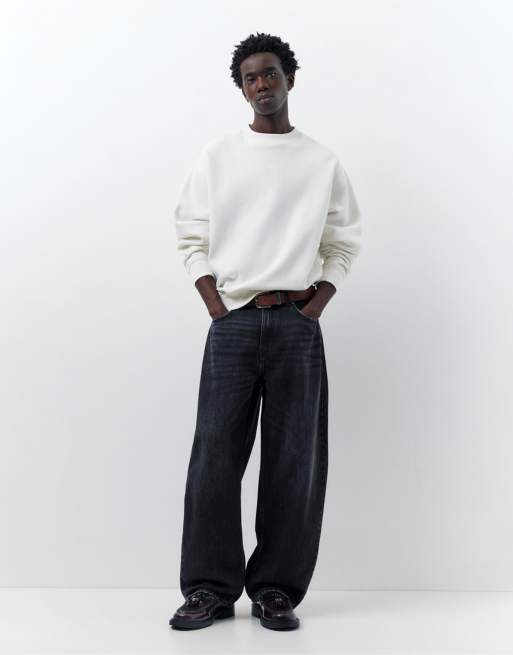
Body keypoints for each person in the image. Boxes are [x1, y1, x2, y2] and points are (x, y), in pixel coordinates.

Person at [169, 32, 362, 631]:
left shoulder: (321, 162)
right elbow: (190, 234)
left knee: (294, 461)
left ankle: (276, 589)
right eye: (250, 78)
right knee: (214, 457)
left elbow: (343, 242)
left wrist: (316, 305)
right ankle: (209, 589)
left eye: (270, 73)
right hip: (232, 323)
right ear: (242, 88)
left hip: (296, 327)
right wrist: (216, 305)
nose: (261, 85)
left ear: (289, 78)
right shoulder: (219, 156)